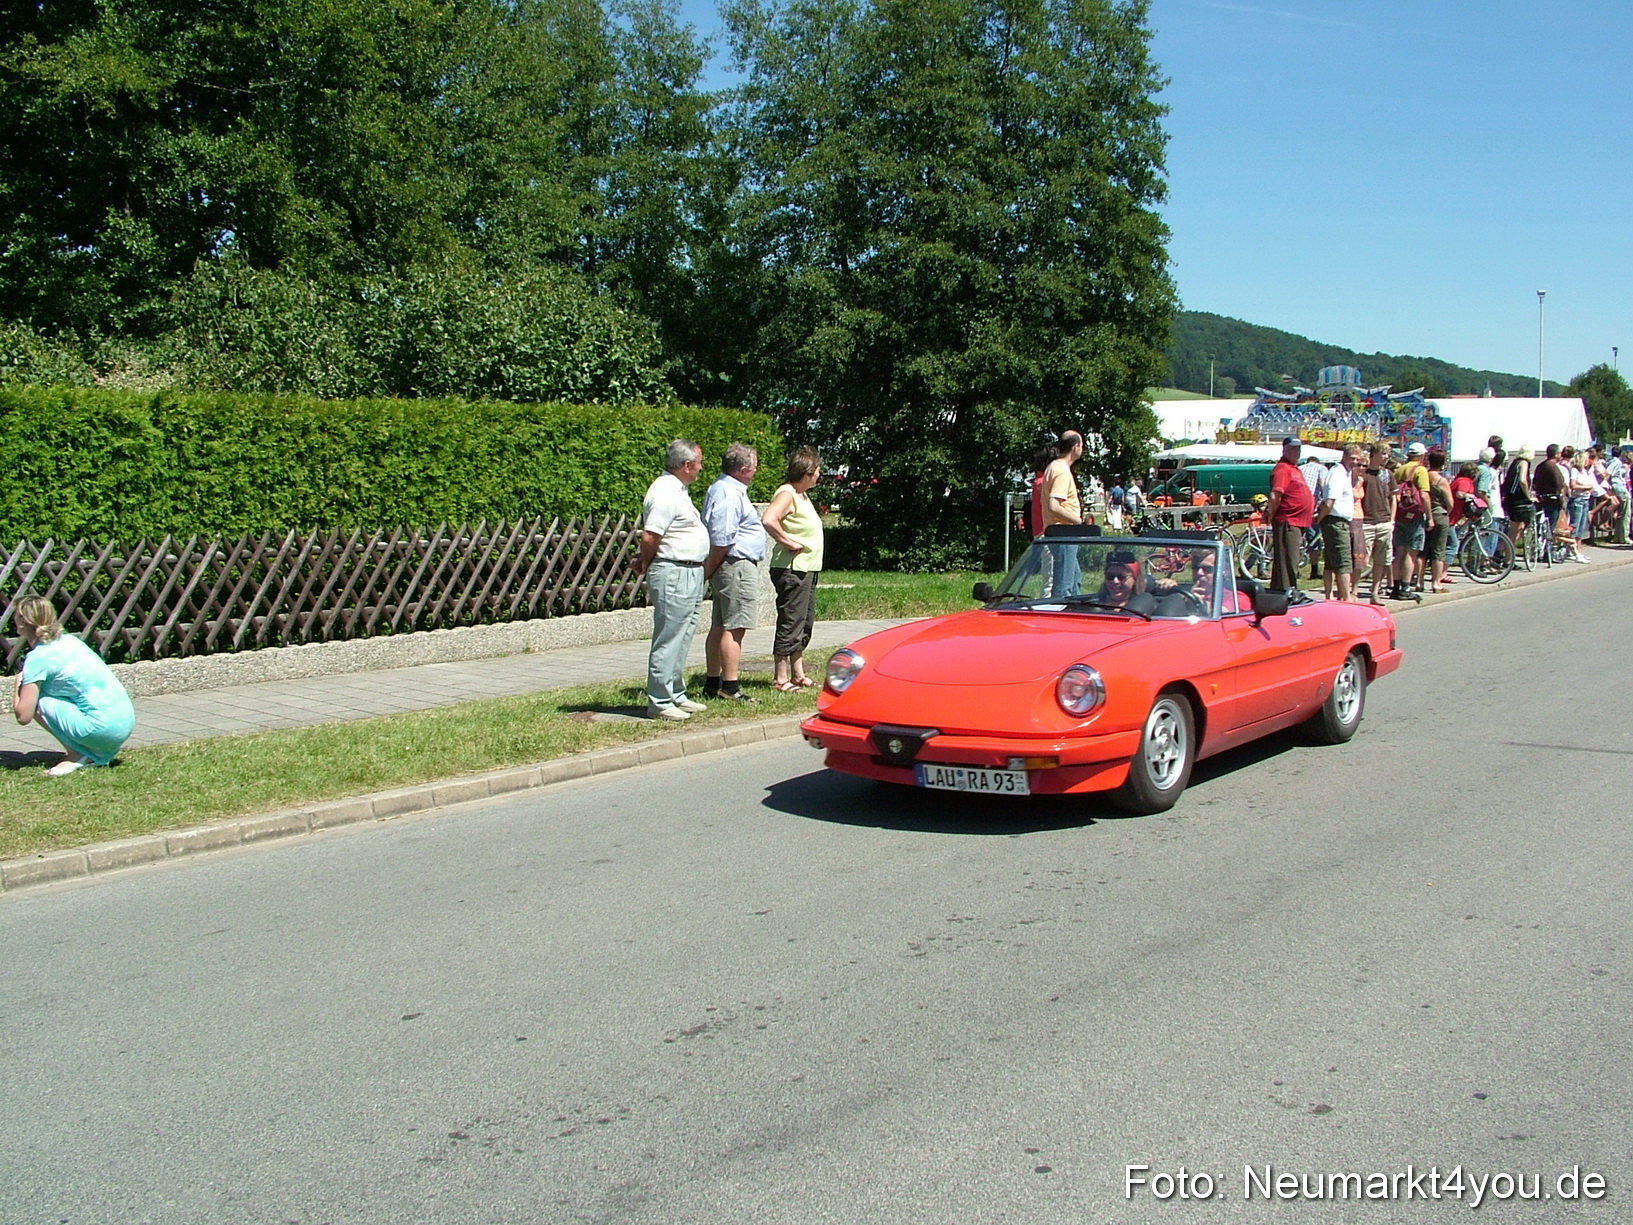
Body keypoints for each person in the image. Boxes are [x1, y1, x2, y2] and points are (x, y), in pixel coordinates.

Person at [9, 595, 135, 775]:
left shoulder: (38, 658)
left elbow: (24, 716)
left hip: (102, 730)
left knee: (38, 699)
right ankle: (98, 751)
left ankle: (78, 754)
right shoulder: (70, 641)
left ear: (23, 621)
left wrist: (18, 683)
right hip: (124, 723)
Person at [636, 439, 710, 721]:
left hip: (689, 570)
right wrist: (646, 561)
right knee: (669, 636)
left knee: (684, 633)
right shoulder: (665, 491)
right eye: (699, 463)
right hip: (674, 572)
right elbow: (650, 535)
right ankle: (659, 700)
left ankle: (675, 692)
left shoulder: (678, 490)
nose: (701, 468)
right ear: (686, 465)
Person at [701, 443, 766, 704]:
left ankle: (712, 682)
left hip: (728, 563)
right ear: (742, 469)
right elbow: (722, 537)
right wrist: (710, 568)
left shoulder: (723, 488)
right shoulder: (728, 492)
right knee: (735, 626)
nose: (756, 471)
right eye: (754, 466)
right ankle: (730, 686)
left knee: (720, 625)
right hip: (735, 564)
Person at [762, 446, 824, 691]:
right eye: (817, 470)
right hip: (792, 569)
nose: (819, 475)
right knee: (791, 621)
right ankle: (780, 678)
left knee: (803, 621)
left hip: (806, 568)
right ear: (806, 472)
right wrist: (788, 542)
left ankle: (798, 673)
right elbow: (769, 519)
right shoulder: (787, 493)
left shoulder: (801, 495)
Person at [1266, 436, 1314, 595]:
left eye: (1298, 449)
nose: (1296, 452)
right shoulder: (1283, 469)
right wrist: (1271, 515)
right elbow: (1275, 495)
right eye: (1293, 448)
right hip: (1288, 521)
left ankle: (1284, 592)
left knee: (1290, 560)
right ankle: (1286, 593)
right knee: (1288, 561)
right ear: (1284, 449)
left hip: (1297, 522)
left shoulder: (1294, 468)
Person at [1041, 431, 1085, 595]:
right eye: (1081, 445)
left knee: (1074, 582)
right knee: (1064, 588)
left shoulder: (1054, 467)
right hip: (1064, 534)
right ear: (1076, 447)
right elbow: (1054, 505)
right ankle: (1061, 609)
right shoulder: (1061, 472)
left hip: (1061, 534)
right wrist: (1078, 521)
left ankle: (1076, 609)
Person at [1391, 441, 1431, 600]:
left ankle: (1394, 586)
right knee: (1411, 553)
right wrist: (1430, 517)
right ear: (1422, 456)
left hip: (1400, 514)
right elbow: (1424, 495)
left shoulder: (1400, 470)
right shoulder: (1420, 470)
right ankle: (1405, 587)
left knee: (1399, 553)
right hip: (1414, 516)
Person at [1316, 445, 1356, 601]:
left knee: (1331, 562)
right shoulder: (1337, 473)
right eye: (1352, 458)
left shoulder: (1346, 473)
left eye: (1357, 459)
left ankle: (1329, 597)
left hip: (1337, 521)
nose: (1355, 462)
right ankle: (1346, 598)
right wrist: (1320, 518)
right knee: (1343, 562)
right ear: (1344, 456)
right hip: (1336, 521)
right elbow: (1329, 502)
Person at [1359, 442, 1396, 604]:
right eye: (1383, 453)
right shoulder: (1363, 473)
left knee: (1382, 559)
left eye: (1388, 454)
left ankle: (1375, 591)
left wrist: (1392, 519)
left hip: (1384, 521)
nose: (1386, 457)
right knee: (1361, 560)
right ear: (1374, 455)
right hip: (1366, 521)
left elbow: (1393, 498)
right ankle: (1353, 590)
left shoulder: (1387, 474)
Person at [1423, 450, 1454, 594]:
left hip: (1424, 515)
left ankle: (1419, 581)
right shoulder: (1441, 481)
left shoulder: (1423, 476)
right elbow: (1450, 502)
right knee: (1439, 550)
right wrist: (1446, 511)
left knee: (1422, 551)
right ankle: (1436, 582)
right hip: (1439, 515)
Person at [1299, 448, 1327, 580]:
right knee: (1313, 538)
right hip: (1310, 506)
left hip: (1297, 505)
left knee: (1297, 537)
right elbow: (1323, 485)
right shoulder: (1321, 468)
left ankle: (1294, 568)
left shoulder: (1300, 468)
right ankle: (1314, 570)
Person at [1501, 446, 1534, 546]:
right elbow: (1522, 480)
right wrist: (1528, 495)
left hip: (1510, 498)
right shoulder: (1524, 463)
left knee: (1515, 529)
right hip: (1518, 500)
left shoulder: (1515, 462)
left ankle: (1504, 550)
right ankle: (1505, 550)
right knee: (1516, 529)